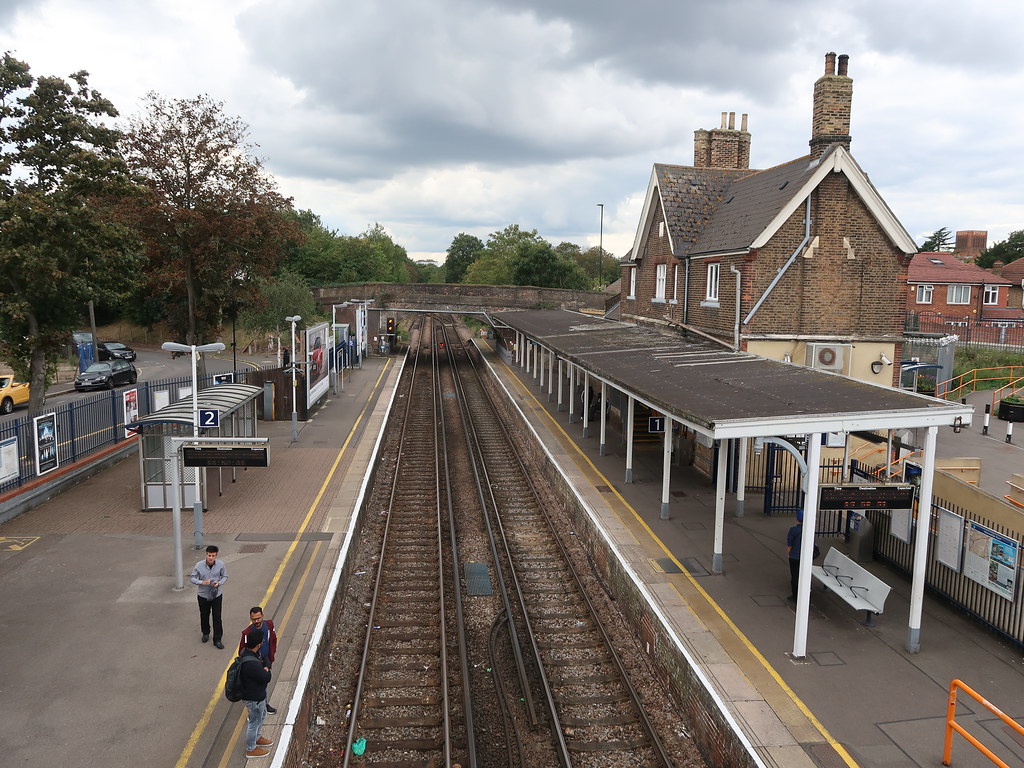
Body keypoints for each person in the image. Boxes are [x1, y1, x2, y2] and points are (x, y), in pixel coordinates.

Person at [239, 630, 274, 758]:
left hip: (259, 695)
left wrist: (266, 666)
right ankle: (251, 748)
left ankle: (257, 738)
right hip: (254, 698)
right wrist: (266, 670)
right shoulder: (251, 664)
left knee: (262, 715)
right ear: (259, 644)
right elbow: (266, 677)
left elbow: (265, 658)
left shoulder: (249, 652)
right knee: (254, 722)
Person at [238, 606, 278, 715]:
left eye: (258, 618)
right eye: (254, 619)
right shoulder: (247, 633)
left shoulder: (269, 625)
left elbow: (273, 639)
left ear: (262, 616)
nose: (256, 621)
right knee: (255, 685)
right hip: (254, 664)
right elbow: (242, 650)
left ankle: (265, 704)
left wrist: (271, 655)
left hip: (266, 661)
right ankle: (253, 711)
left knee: (264, 683)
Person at [190, 545, 228, 648]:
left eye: (213, 556)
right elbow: (192, 578)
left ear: (216, 556)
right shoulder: (199, 565)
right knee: (204, 615)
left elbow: (225, 576)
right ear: (206, 554)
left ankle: (217, 639)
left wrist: (219, 583)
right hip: (203, 595)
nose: (211, 558)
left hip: (216, 594)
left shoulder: (220, 564)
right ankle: (205, 633)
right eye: (209, 555)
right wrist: (202, 582)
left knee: (217, 617)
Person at [786, 510, 818, 601]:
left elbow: (789, 544)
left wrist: (788, 554)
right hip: (806, 557)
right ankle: (806, 594)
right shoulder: (810, 530)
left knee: (795, 576)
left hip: (794, 557)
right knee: (805, 576)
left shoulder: (793, 530)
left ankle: (795, 596)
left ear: (797, 519)